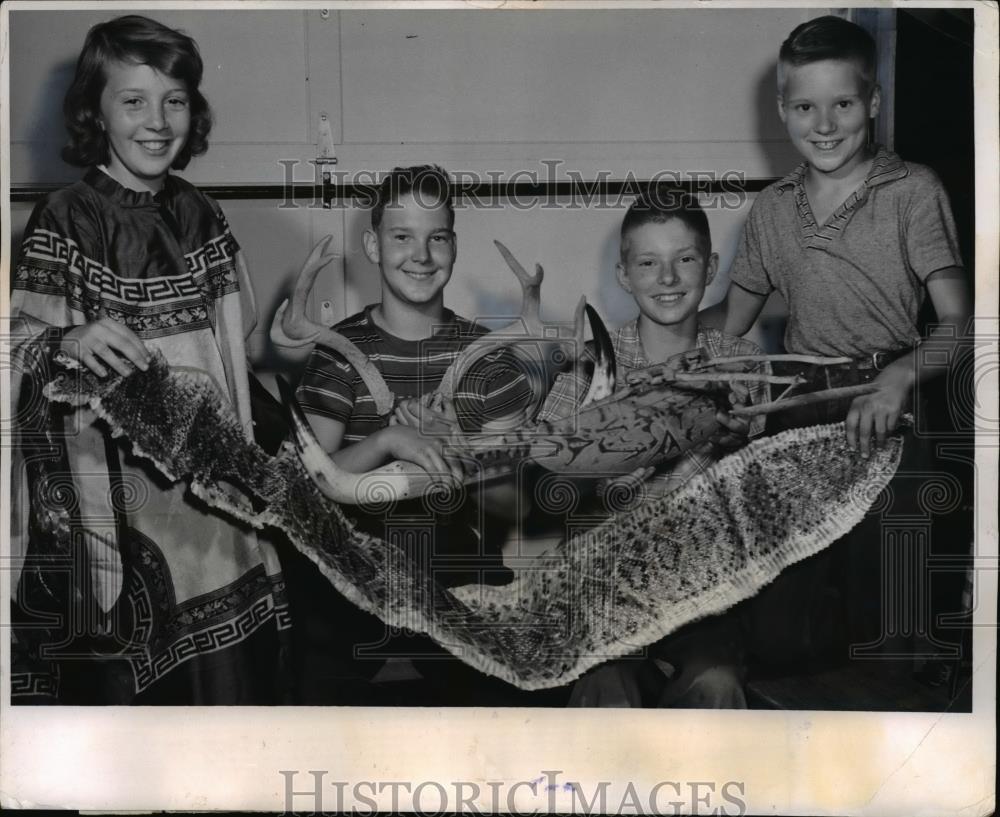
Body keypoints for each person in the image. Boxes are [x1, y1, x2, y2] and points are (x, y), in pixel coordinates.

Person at [10, 15, 290, 704]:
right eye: (132, 100)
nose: (157, 120)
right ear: (94, 111)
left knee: (233, 727)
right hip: (118, 523)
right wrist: (62, 341)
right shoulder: (64, 217)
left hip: (216, 520)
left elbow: (233, 360)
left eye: (175, 99)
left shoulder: (203, 214)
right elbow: (14, 344)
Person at [702, 16, 972, 666]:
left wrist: (901, 375)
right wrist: (631, 331)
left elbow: (961, 326)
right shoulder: (772, 208)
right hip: (795, 415)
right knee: (784, 628)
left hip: (883, 412)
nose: (824, 124)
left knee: (886, 621)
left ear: (872, 102)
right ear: (783, 110)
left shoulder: (913, 192)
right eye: (805, 107)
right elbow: (728, 324)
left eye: (843, 104)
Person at [285, 164, 540, 705]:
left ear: (453, 245)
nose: (421, 256)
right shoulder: (336, 355)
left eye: (436, 238)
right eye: (402, 237)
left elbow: (511, 507)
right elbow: (301, 494)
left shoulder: (491, 362)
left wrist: (456, 449)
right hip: (347, 585)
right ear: (374, 245)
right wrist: (387, 443)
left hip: (459, 578)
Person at [536, 188, 768, 708]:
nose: (667, 280)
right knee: (603, 685)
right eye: (648, 263)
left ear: (709, 268)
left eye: (684, 260)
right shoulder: (591, 366)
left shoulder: (743, 361)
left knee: (717, 683)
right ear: (625, 275)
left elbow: (763, 486)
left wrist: (736, 445)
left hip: (708, 593)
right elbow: (544, 478)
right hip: (608, 584)